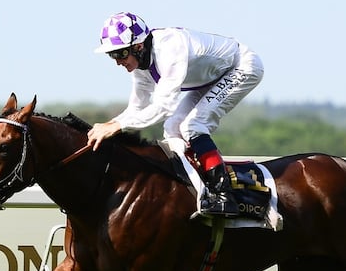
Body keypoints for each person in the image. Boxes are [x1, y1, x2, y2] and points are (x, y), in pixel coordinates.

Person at [86, 12, 264, 218]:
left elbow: (164, 107)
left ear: (138, 46)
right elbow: (136, 109)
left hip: (241, 67)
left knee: (193, 126)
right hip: (210, 79)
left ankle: (223, 194)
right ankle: (191, 187)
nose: (117, 62)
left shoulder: (169, 48)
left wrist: (116, 127)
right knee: (172, 127)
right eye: (112, 55)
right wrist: (110, 124)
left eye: (120, 54)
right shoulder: (140, 66)